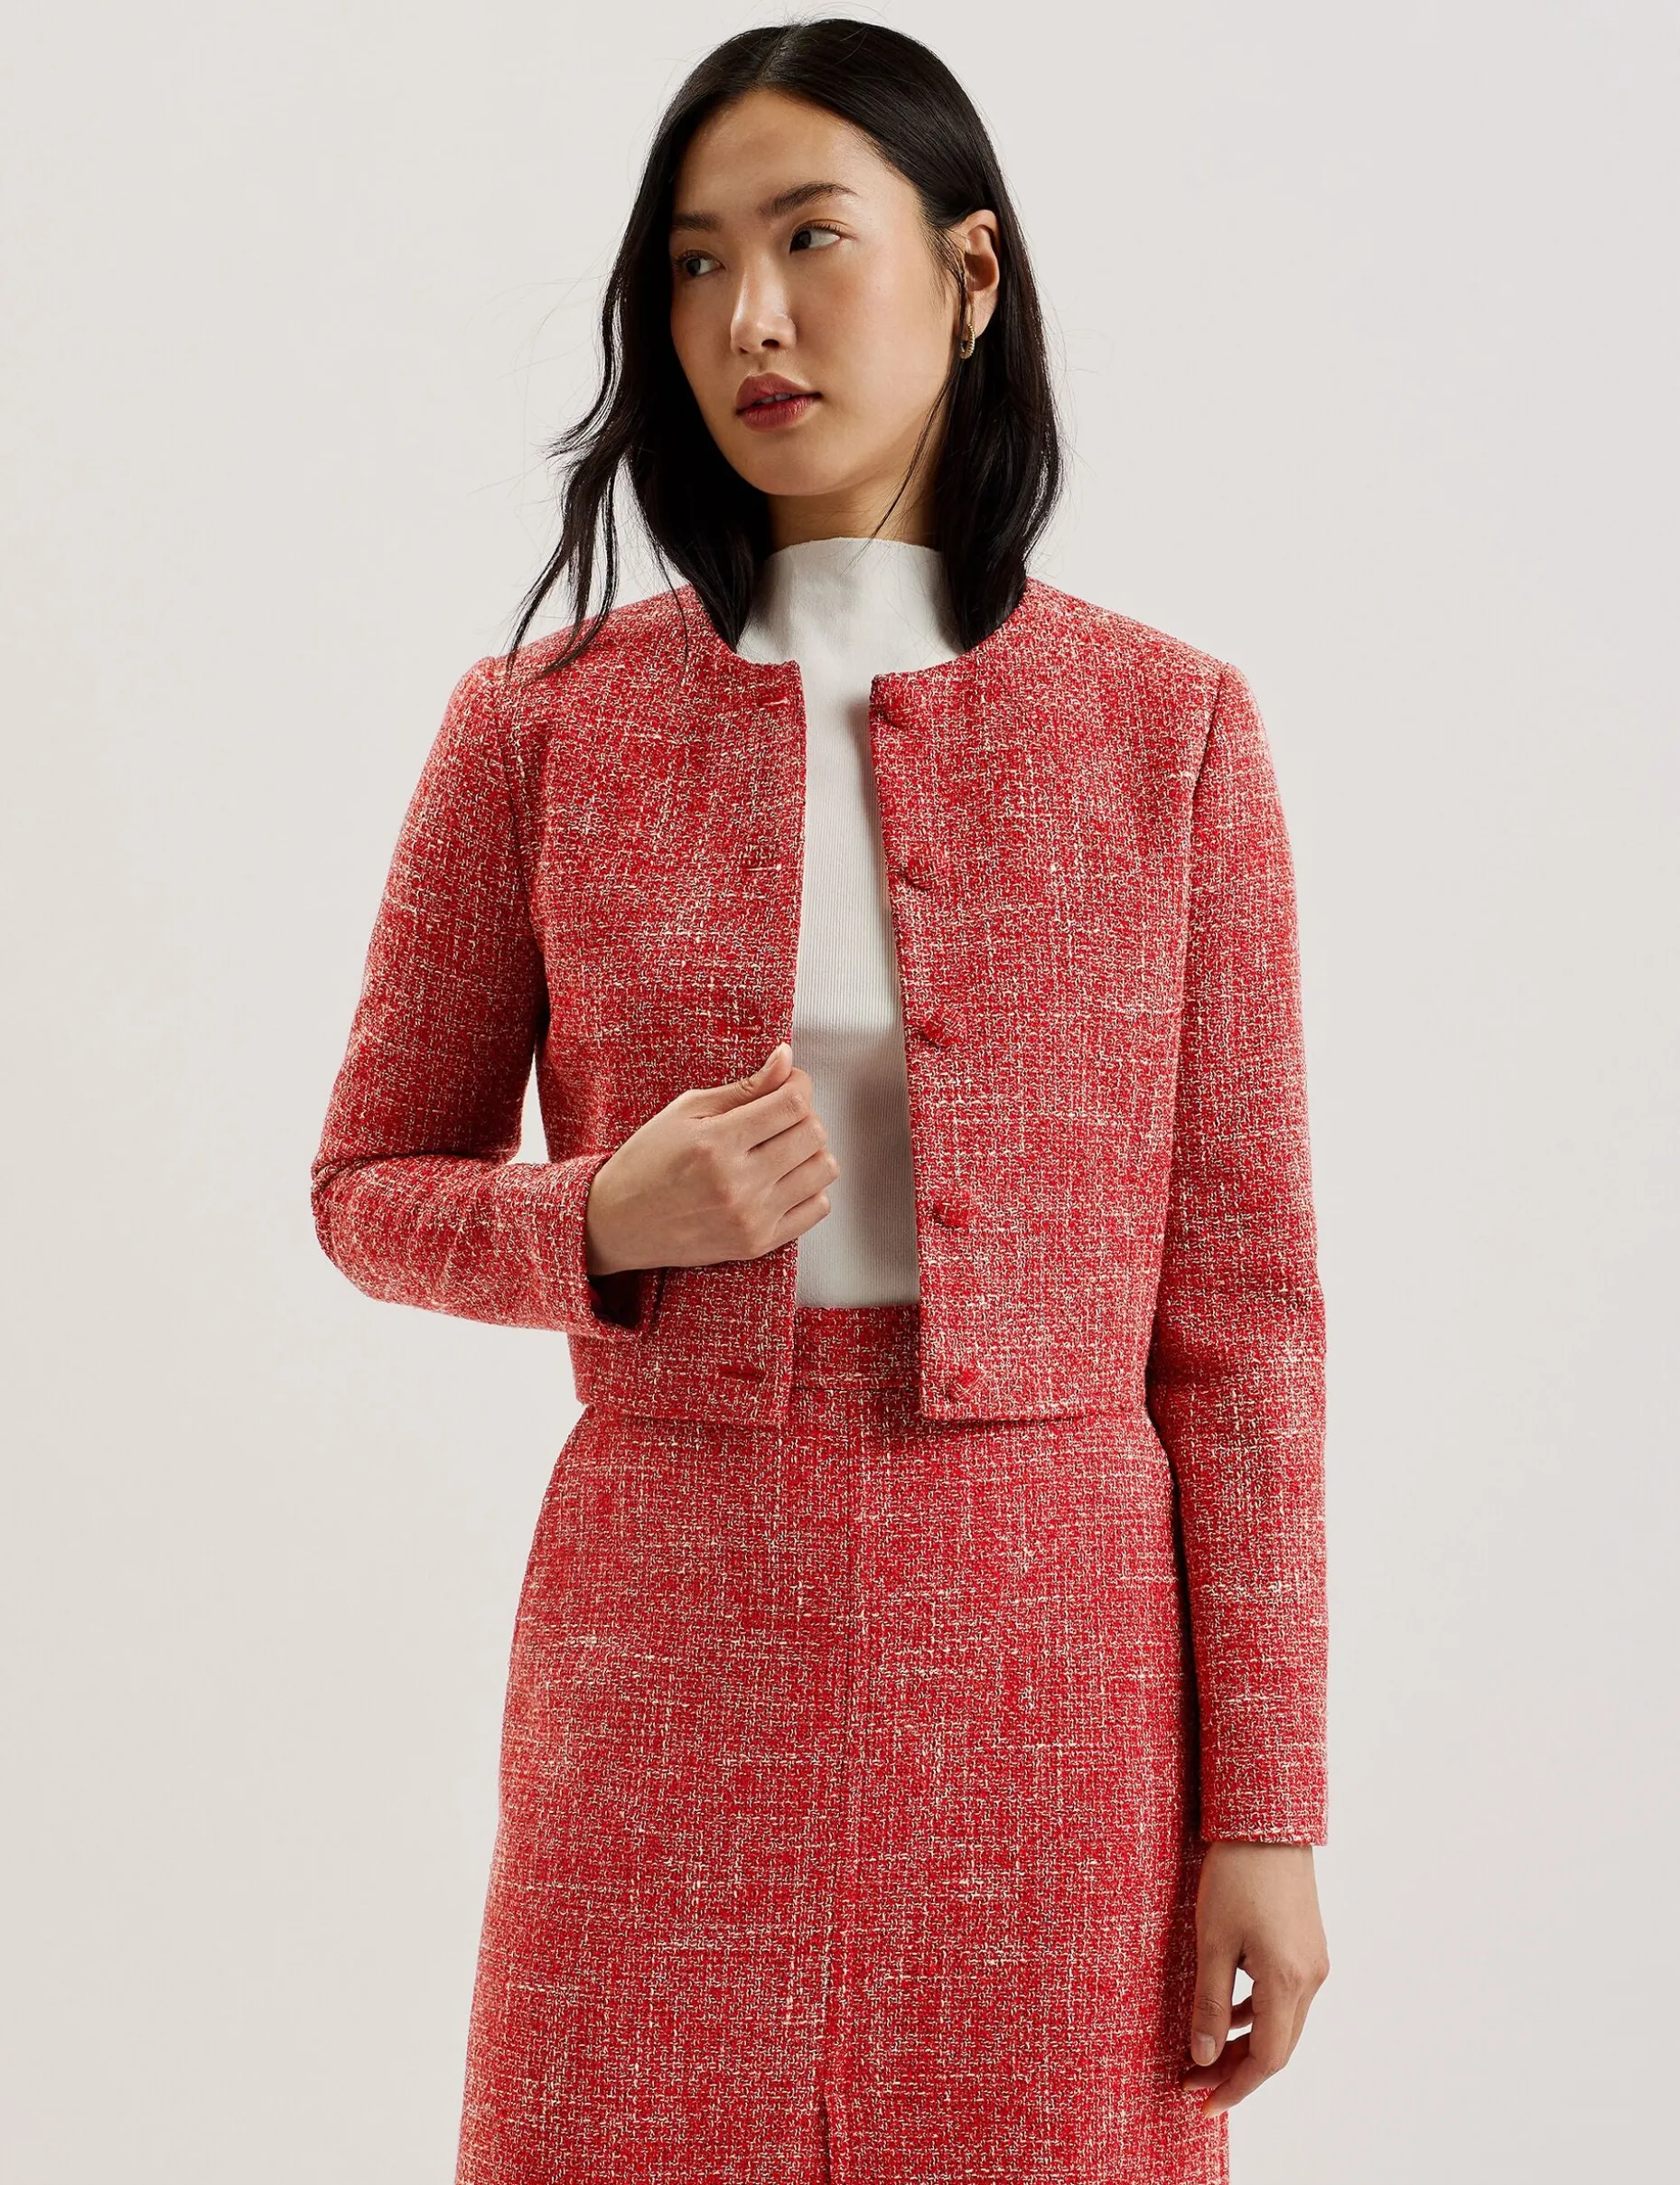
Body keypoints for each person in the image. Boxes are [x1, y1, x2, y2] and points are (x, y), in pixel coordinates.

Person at [310, 18, 1331, 2182]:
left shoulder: (1170, 734)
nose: (748, 319)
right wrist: (600, 1217)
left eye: (806, 239)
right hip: (665, 1638)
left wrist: (1268, 1811)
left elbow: (1245, 1328)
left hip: (1057, 1678)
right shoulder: (541, 729)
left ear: (971, 272)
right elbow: (366, 1185)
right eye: (694, 263)